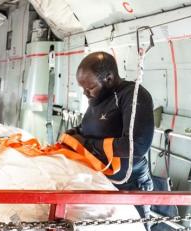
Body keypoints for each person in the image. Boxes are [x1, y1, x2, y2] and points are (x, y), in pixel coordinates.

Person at [63, 51, 155, 216]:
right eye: (83, 88)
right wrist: (77, 132)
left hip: (128, 184)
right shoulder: (99, 96)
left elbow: (137, 146)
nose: (85, 93)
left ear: (109, 78)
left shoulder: (133, 95)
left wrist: (87, 144)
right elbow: (98, 126)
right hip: (103, 179)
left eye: (90, 88)